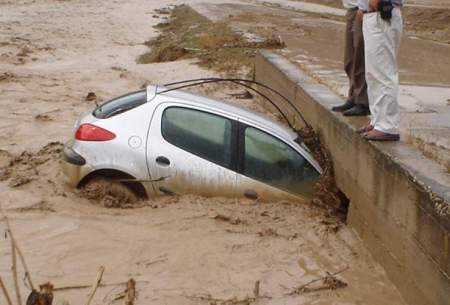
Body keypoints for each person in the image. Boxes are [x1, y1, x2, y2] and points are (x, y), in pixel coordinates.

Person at [358, 0, 403, 141]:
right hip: (374, 16)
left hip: (381, 15)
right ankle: (378, 121)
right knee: (373, 74)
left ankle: (387, 126)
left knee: (383, 73)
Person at [332, 0, 369, 116]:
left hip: (362, 9)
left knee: (359, 58)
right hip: (352, 8)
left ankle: (362, 102)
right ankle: (353, 97)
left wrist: (363, 8)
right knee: (350, 61)